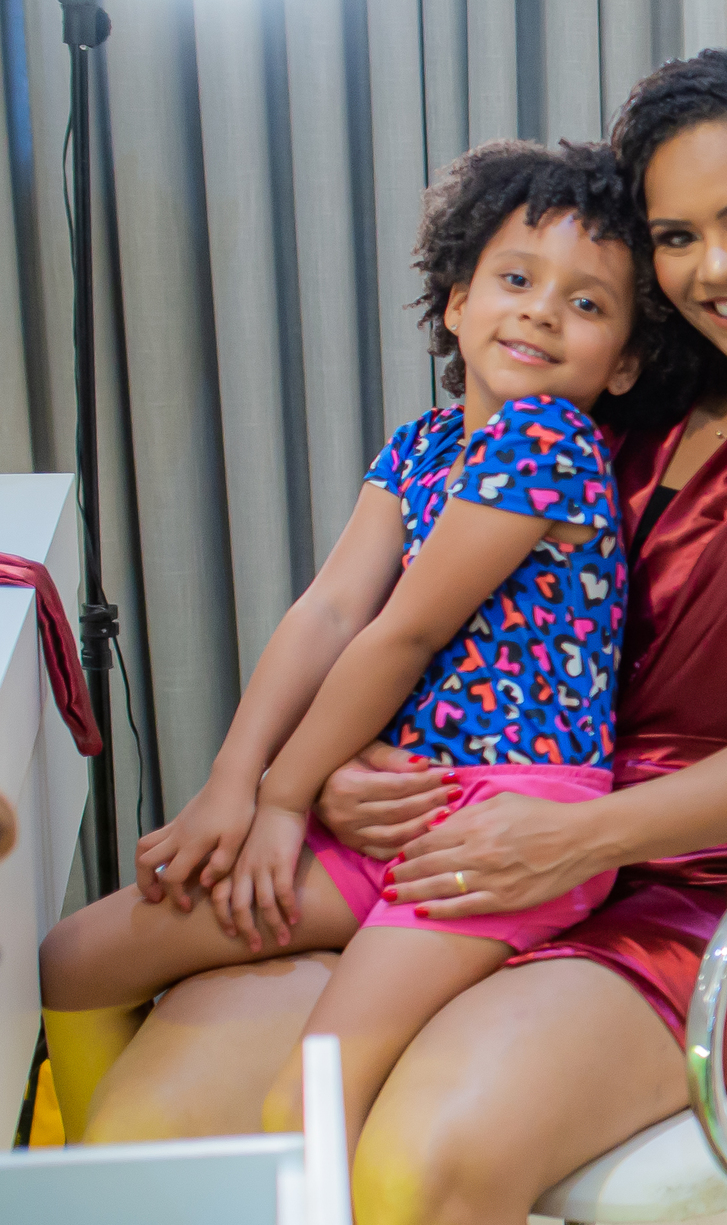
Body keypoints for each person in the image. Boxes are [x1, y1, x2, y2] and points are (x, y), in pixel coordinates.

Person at [54, 49, 727, 1225]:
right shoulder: (627, 404)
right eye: (677, 237)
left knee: (415, 1173)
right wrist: (346, 776)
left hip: (720, 901)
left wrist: (581, 834)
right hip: (485, 838)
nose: (716, 266)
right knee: (156, 1120)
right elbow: (446, 636)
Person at [39, 140, 675, 1157]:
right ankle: (101, 1214)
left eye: (588, 303)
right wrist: (232, 785)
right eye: (516, 280)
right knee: (75, 959)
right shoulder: (422, 445)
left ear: (628, 360)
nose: (544, 313)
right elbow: (327, 612)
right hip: (392, 814)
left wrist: (284, 799)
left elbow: (403, 631)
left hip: (504, 831)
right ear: (456, 301)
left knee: (309, 1100)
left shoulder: (549, 441)